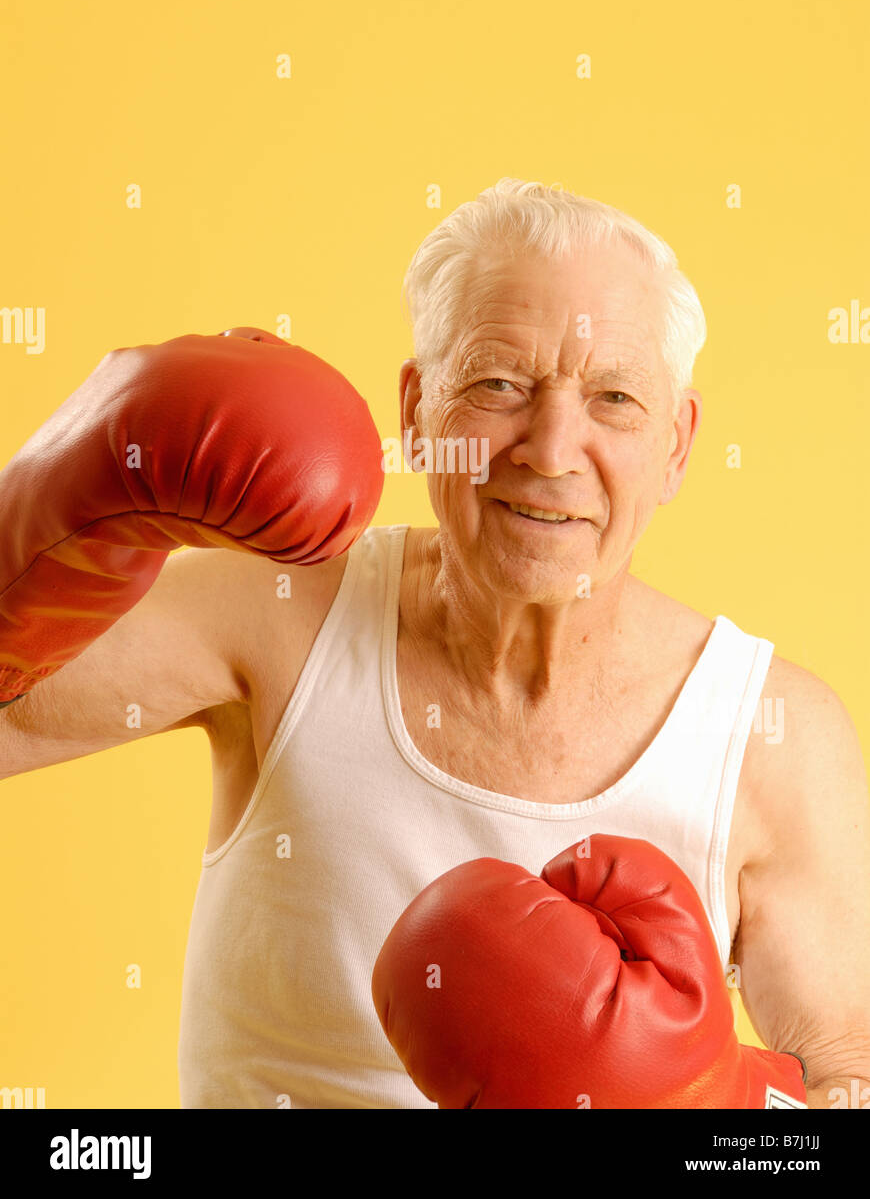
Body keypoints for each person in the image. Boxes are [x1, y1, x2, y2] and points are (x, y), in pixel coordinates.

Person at [2, 180, 868, 1109]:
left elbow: (846, 1089)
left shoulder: (776, 737)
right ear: (416, 414)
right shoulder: (284, 609)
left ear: (678, 447)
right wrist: (53, 502)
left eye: (614, 399)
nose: (550, 449)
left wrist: (705, 1103)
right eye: (499, 384)